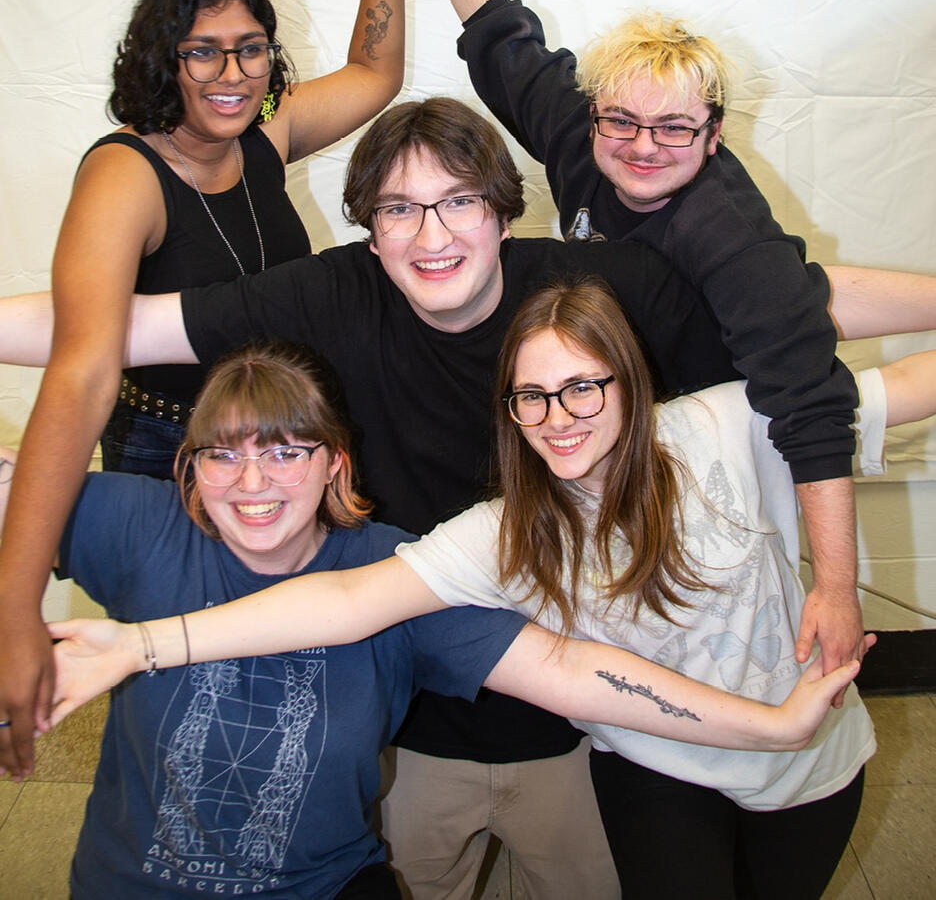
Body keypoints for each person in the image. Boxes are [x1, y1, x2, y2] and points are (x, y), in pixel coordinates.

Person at [2, 103, 934, 898]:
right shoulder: (478, 507)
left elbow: (788, 305)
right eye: (400, 209)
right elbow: (111, 324)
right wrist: (136, 643)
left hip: (585, 731)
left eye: (458, 201)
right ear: (369, 227)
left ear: (501, 212)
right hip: (456, 723)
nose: (433, 233)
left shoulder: (631, 333)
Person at [0, 344, 857, 900]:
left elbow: (569, 668)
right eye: (222, 451)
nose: (250, 481)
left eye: (285, 449)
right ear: (190, 468)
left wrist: (771, 725)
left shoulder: (399, 569)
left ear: (335, 462)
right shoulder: (140, 524)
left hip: (322, 887)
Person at [378, 0, 865, 677]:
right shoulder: (585, 133)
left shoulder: (725, 234)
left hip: (724, 409)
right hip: (672, 351)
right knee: (817, 289)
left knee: (841, 349)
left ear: (714, 135)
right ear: (597, 110)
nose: (643, 147)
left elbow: (813, 413)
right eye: (624, 121)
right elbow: (499, 36)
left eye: (674, 128)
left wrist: (837, 587)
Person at [0, 0, 407, 795]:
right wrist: (15, 610)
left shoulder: (260, 139)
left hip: (282, 446)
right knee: (202, 686)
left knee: (292, 673)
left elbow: (377, 72)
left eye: (252, 50)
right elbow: (84, 371)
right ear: (163, 59)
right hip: (173, 455)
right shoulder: (125, 175)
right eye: (205, 52)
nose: (233, 76)